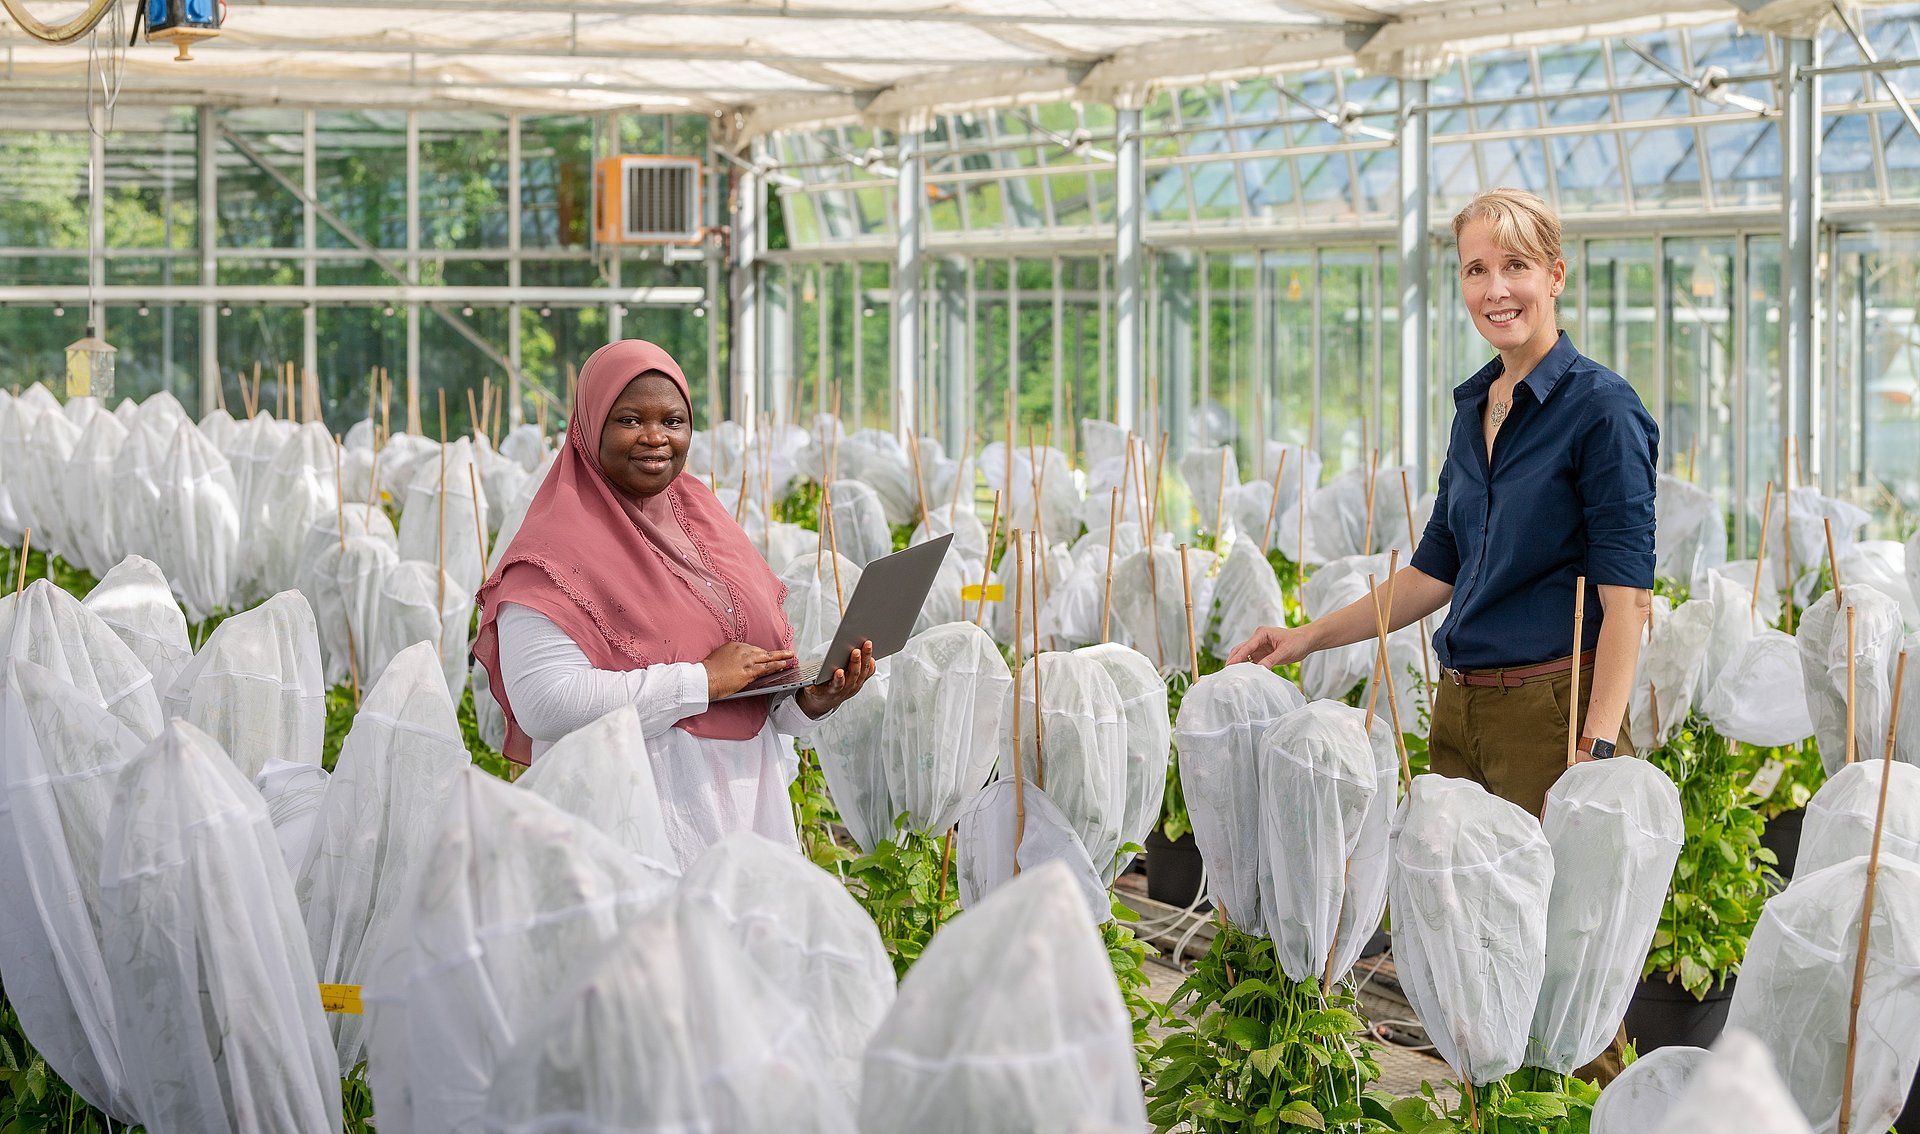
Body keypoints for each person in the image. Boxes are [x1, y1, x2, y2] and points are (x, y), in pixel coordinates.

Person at [1229, 186, 1656, 1078]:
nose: (1495, 289)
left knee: (1558, 970)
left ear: (1555, 274)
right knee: (1472, 959)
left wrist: (1598, 746)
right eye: (1475, 269)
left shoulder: (1602, 412)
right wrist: (1308, 638)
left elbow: (1629, 605)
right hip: (1460, 711)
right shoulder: (1477, 408)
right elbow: (1435, 570)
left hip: (1553, 712)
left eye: (1515, 267)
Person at [473, 339, 874, 868]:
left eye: (674, 420)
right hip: (632, 824)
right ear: (590, 425)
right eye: (630, 419)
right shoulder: (551, 552)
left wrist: (806, 704)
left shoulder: (701, 517)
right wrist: (701, 680)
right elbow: (546, 704)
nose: (655, 437)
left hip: (744, 813)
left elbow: (743, 687)